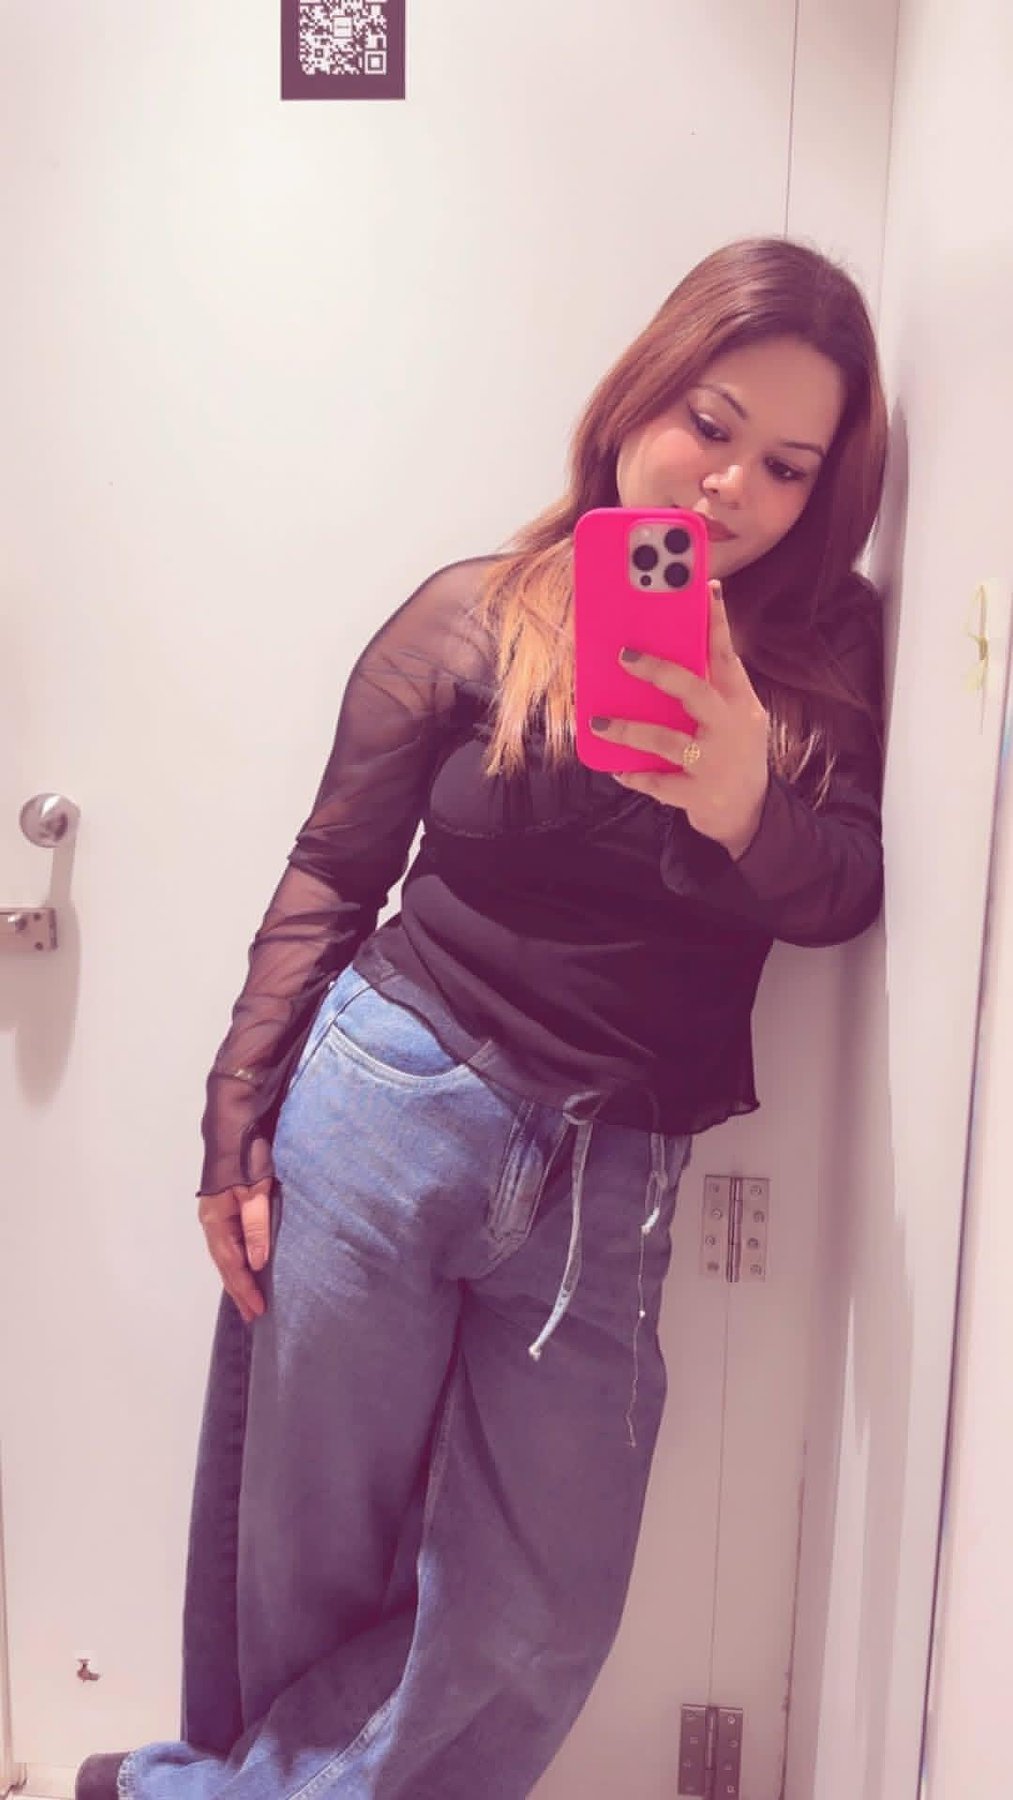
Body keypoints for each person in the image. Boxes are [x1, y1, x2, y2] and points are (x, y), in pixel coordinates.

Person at [77, 235, 888, 1800]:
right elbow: (333, 870)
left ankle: (175, 1793)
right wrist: (233, 1120)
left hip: (613, 1172)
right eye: (709, 425)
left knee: (536, 1613)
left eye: (786, 467)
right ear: (640, 396)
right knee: (306, 1561)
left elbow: (842, 891)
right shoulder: (474, 614)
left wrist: (742, 798)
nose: (730, 487)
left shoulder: (824, 652)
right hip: (388, 1102)